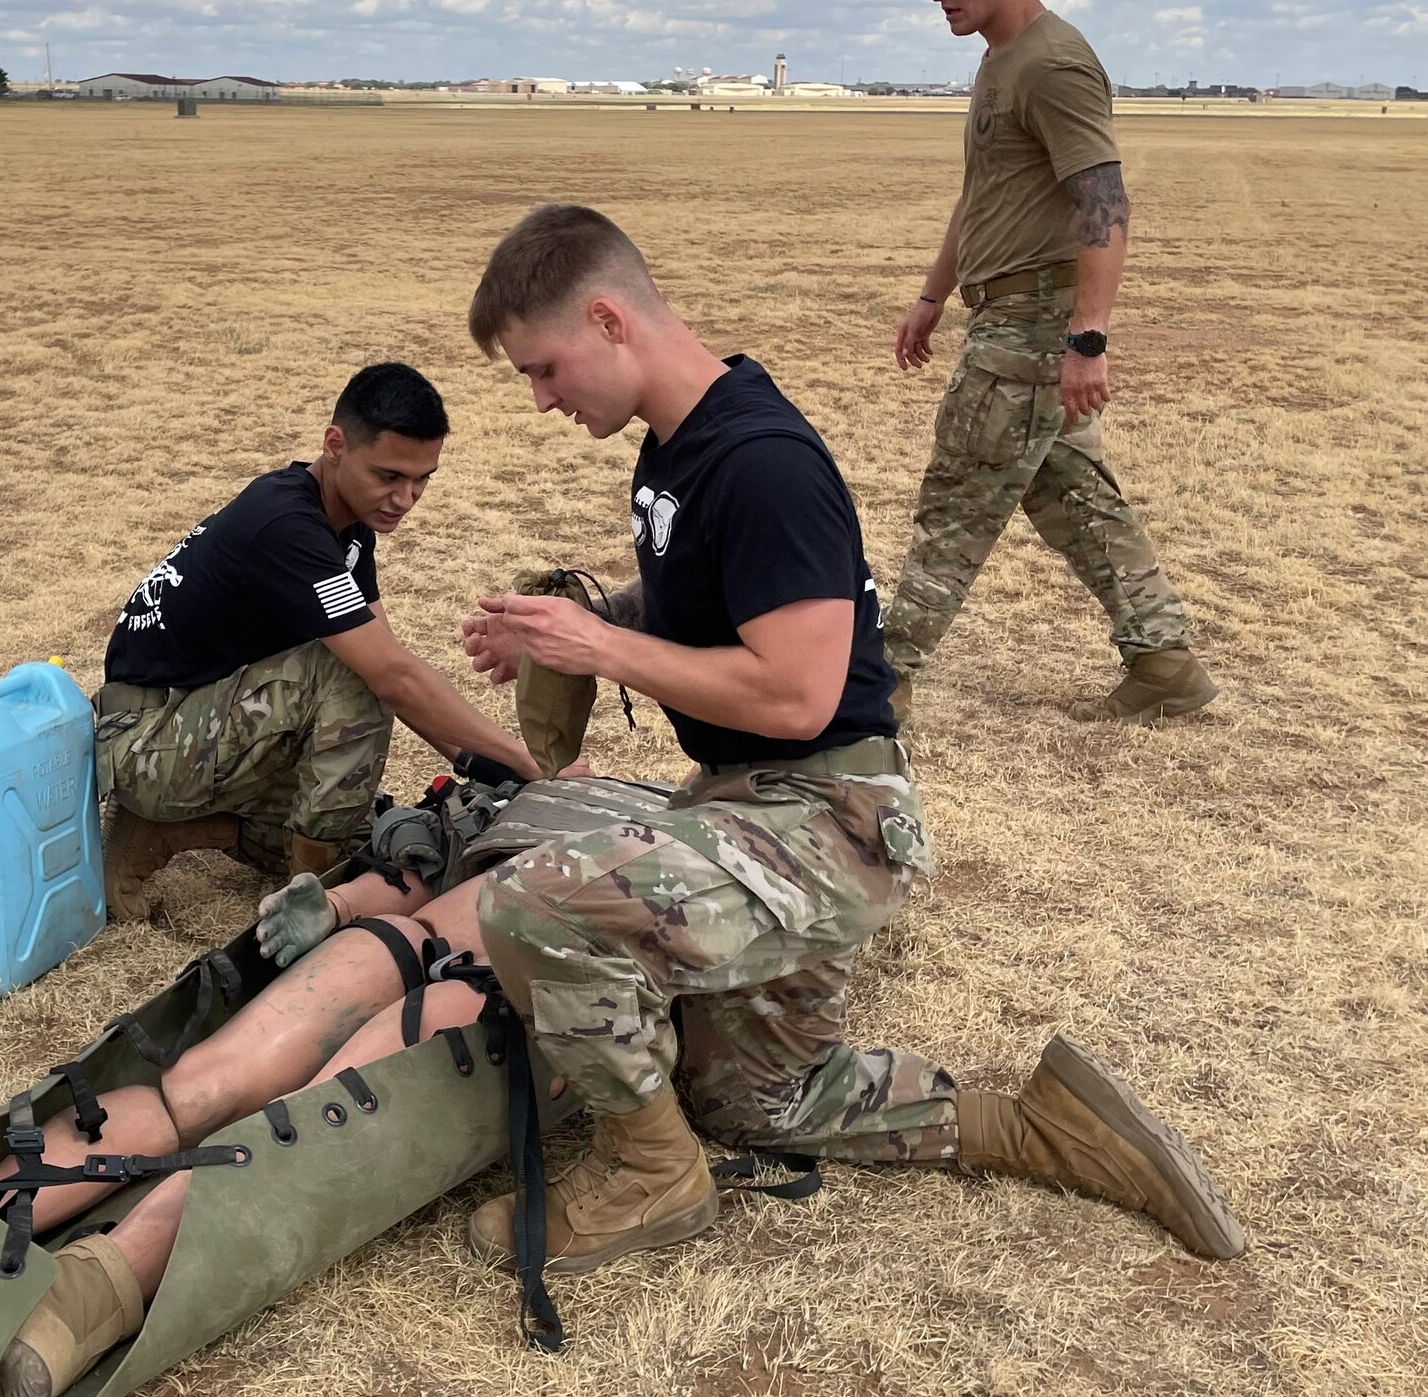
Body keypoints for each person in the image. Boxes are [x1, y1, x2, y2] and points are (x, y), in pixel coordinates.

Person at [443, 203, 1242, 1276]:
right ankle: (1031, 1126)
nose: (541, 399)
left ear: (606, 320)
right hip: (753, 800)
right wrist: (580, 620)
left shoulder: (760, 461)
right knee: (752, 1103)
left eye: (543, 368)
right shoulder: (678, 450)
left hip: (830, 818)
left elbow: (798, 696)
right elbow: (706, 603)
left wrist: (603, 649)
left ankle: (649, 1178)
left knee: (531, 904)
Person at [0, 857, 476, 1397]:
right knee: (201, 1088)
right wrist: (347, 902)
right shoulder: (537, 791)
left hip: (533, 979)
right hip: (434, 928)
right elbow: (430, 850)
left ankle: (73, 1307)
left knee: (329, 1102)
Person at [881, 0, 1218, 725]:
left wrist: (1087, 340)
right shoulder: (1000, 60)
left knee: (958, 492)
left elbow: (1104, 204)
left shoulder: (1053, 63)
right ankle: (1164, 662)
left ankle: (881, 679)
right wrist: (933, 295)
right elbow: (982, 195)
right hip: (1004, 310)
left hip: (1033, 322)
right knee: (1072, 494)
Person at [96, 362, 544, 915]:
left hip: (195, 722)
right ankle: (314, 904)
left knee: (373, 840)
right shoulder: (285, 523)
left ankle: (170, 831)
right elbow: (390, 676)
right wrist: (527, 767)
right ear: (335, 444)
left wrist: (486, 769)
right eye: (388, 476)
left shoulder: (347, 525)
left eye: (422, 479)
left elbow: (392, 658)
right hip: (145, 743)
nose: (406, 497)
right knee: (350, 681)